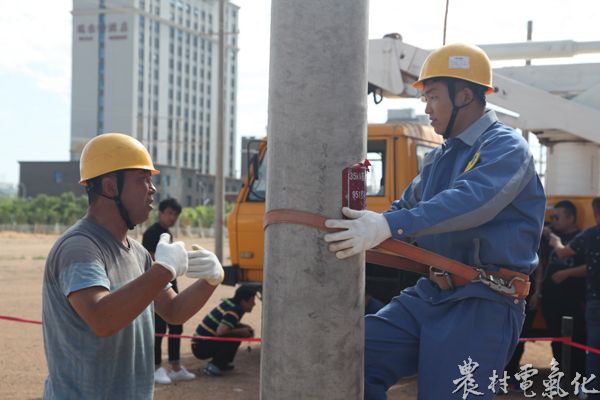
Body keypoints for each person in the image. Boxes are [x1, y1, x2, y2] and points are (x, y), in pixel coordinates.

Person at [324, 43, 546, 399]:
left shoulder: (505, 147)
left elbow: (474, 201)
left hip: (482, 302)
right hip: (431, 294)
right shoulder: (441, 157)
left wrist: (389, 226)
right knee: (347, 357)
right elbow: (407, 205)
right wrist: (372, 223)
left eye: (432, 96)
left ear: (464, 95)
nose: (425, 108)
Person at [42, 133, 224, 399]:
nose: (152, 189)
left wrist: (209, 280)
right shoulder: (80, 247)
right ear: (110, 186)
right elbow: (102, 319)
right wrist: (163, 270)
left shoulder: (137, 253)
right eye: (143, 180)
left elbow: (173, 311)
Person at [549, 197, 600, 398]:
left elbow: (563, 253)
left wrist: (554, 241)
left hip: (594, 301)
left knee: (594, 350)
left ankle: (593, 392)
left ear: (595, 214)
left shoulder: (589, 235)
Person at [142, 198, 195, 384]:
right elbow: (149, 260)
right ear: (161, 212)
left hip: (172, 283)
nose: (172, 217)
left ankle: (175, 366)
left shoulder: (168, 233)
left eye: (175, 214)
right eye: (169, 213)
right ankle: (156, 367)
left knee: (177, 325)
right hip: (156, 286)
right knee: (158, 328)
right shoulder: (151, 233)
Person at [540, 200, 587, 380]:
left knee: (577, 340)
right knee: (556, 340)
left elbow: (590, 266)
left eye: (557, 217)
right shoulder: (551, 235)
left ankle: (579, 379)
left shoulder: (581, 238)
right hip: (552, 300)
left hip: (574, 300)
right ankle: (562, 378)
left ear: (571, 217)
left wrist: (567, 273)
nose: (553, 221)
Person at [191, 285, 257, 376]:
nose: (254, 304)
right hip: (200, 347)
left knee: (236, 334)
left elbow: (227, 324)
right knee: (235, 337)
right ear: (243, 301)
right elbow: (221, 331)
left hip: (199, 343)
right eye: (252, 301)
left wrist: (242, 327)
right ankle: (214, 366)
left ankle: (223, 362)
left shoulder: (230, 303)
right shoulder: (234, 310)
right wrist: (241, 331)